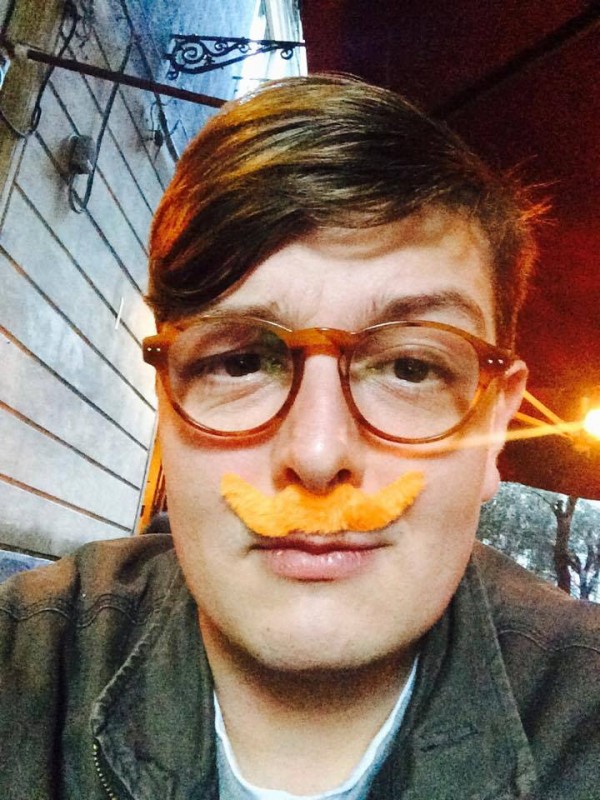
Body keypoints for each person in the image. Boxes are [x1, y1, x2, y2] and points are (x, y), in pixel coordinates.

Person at [0, 75, 598, 800]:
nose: (316, 454)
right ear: (166, 400)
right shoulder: (23, 660)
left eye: (410, 368)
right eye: (240, 363)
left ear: (496, 425)